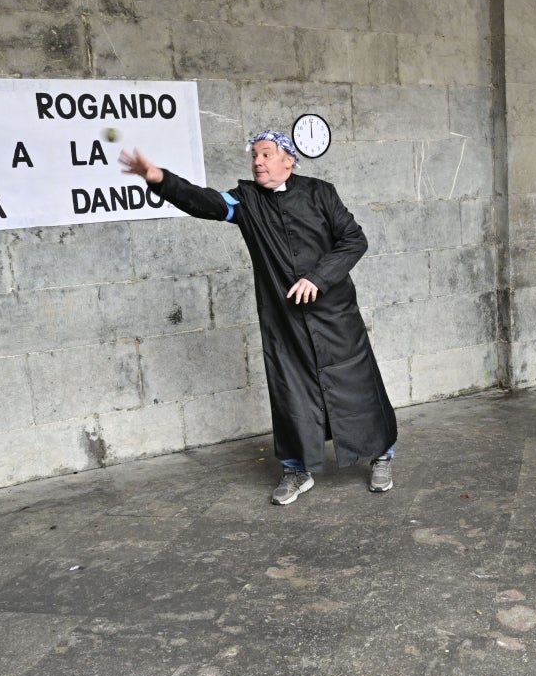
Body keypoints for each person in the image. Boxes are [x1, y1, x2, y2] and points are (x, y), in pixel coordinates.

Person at [119, 131, 398, 506]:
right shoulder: (246, 200)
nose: (258, 162)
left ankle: (380, 454)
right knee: (291, 391)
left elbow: (354, 240)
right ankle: (296, 469)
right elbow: (207, 202)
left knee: (357, 383)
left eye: (266, 154)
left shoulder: (321, 193)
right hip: (284, 319)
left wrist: (318, 277)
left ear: (289, 160)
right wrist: (160, 179)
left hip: (334, 313)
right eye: (254, 156)